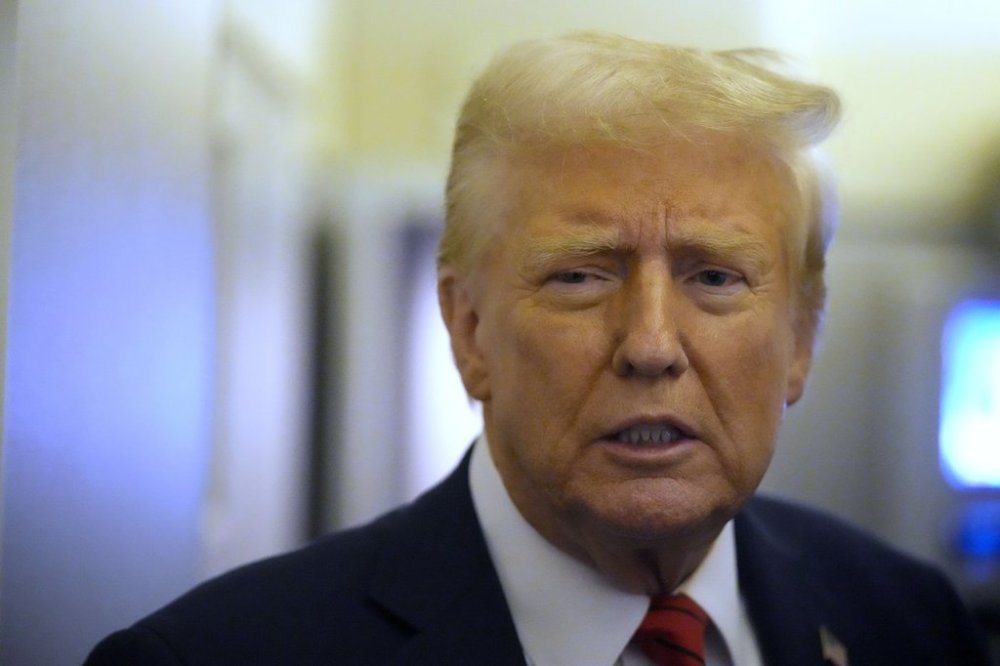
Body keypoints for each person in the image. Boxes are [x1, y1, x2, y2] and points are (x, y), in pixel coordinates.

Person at [86, 32, 990, 665]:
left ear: (799, 338)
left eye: (715, 277)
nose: (650, 346)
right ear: (468, 328)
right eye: (581, 277)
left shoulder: (907, 622)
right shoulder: (217, 655)